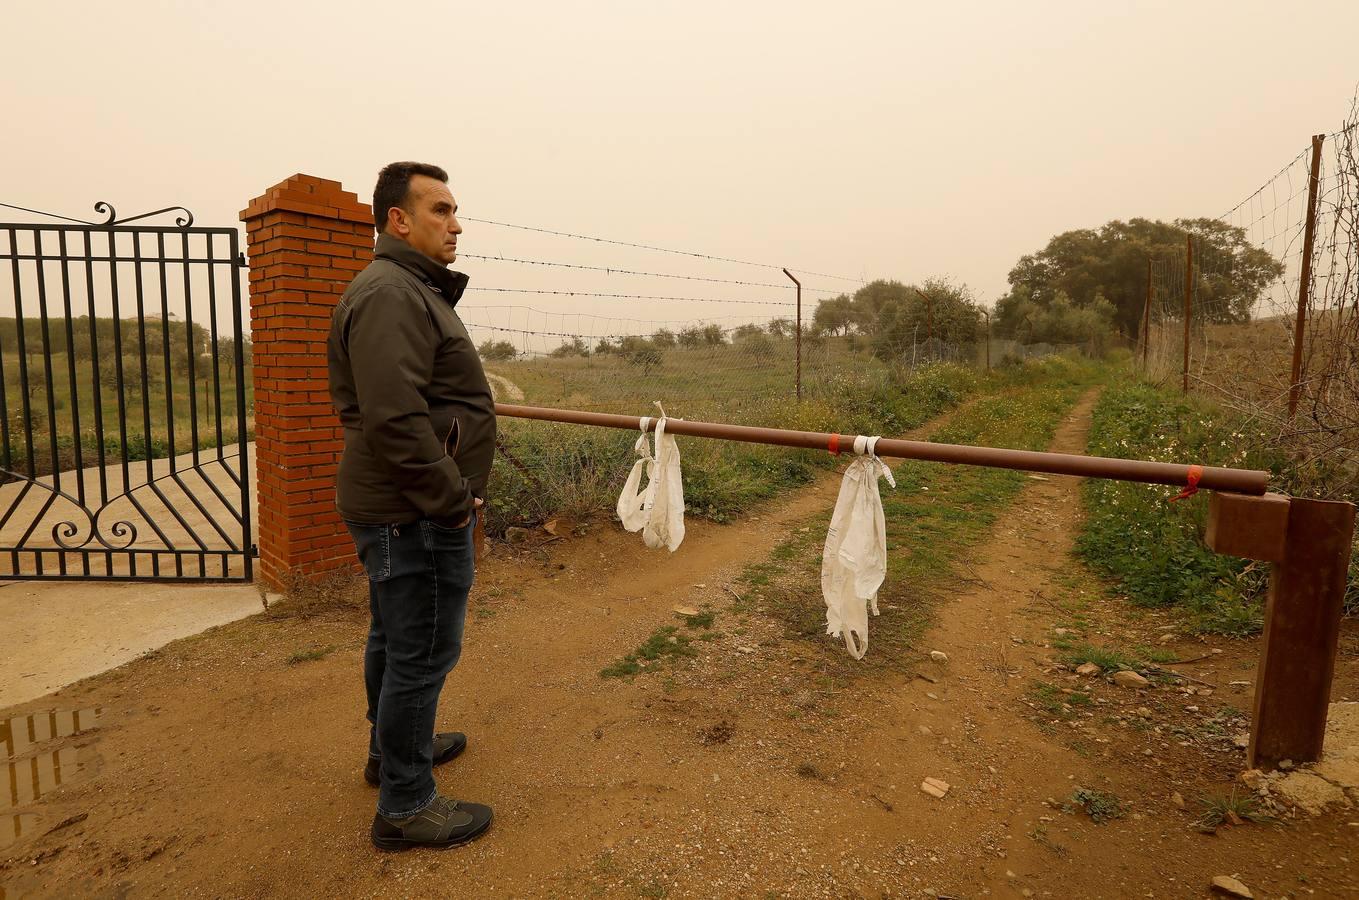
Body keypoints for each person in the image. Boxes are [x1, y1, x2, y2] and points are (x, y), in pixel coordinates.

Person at [327, 161, 495, 851]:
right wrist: (451, 503)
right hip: (413, 510)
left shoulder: (404, 288)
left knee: (393, 641)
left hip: (401, 505)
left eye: (454, 212)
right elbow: (395, 418)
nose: (455, 225)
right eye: (440, 211)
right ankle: (405, 802)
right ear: (398, 219)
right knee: (422, 650)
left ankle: (393, 751)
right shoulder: (394, 292)